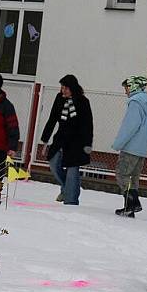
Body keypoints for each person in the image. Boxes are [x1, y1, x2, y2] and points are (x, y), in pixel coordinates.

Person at [40, 74, 94, 206]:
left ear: (73, 88)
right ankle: (67, 188)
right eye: (62, 87)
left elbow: (88, 124)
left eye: (66, 88)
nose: (62, 90)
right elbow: (52, 119)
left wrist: (88, 144)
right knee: (53, 162)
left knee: (72, 170)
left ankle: (71, 200)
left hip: (77, 141)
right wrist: (45, 140)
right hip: (61, 137)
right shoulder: (59, 99)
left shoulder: (83, 101)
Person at [112, 75, 147, 218]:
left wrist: (118, 143)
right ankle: (130, 207)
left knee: (122, 174)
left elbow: (130, 126)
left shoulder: (135, 103)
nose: (125, 92)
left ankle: (132, 203)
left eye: (126, 88)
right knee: (133, 177)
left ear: (133, 86)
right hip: (142, 148)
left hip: (131, 147)